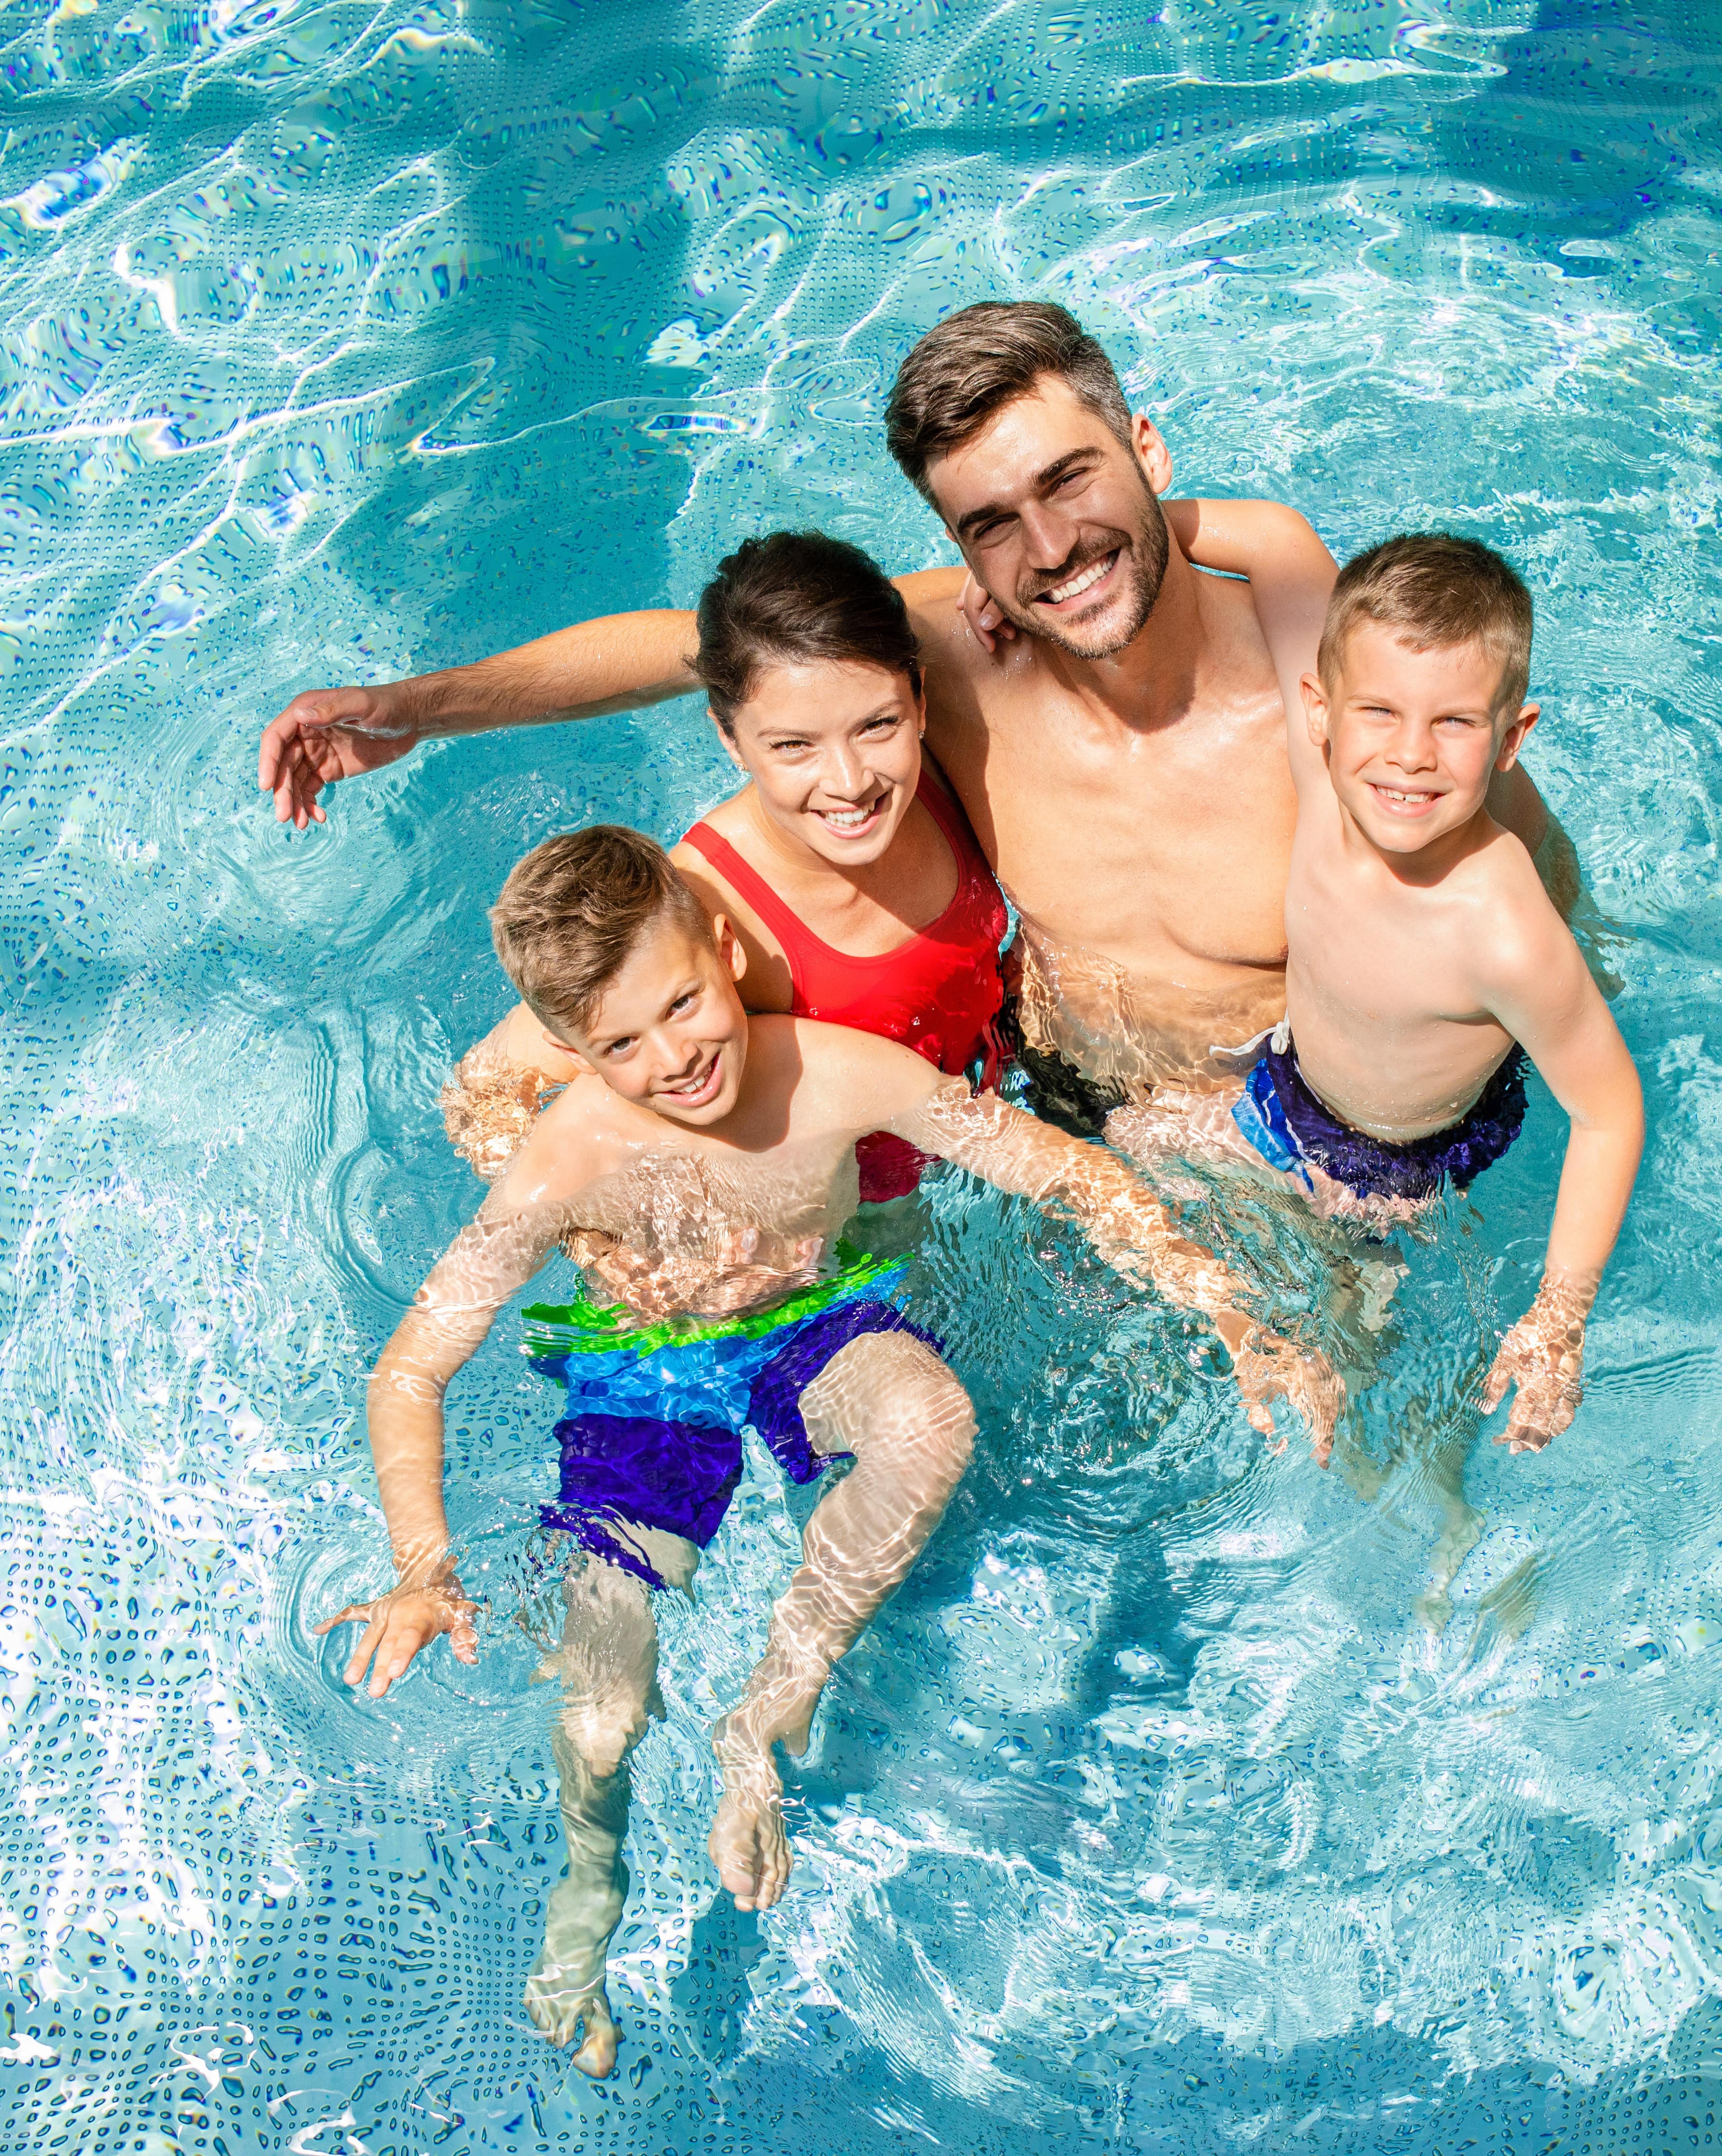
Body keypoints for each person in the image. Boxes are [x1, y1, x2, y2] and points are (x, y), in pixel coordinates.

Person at [318, 825, 1338, 2079]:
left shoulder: (835, 1077)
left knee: (931, 1419)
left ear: (727, 951)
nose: (674, 1058)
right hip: (650, 1376)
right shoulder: (567, 1157)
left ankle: (768, 1713)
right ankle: (585, 1915)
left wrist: (1229, 1307)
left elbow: (1069, 1176)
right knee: (602, 1708)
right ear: (572, 1056)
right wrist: (423, 1562)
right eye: (618, 1046)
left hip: (809, 1321)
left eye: (684, 1006)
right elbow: (412, 1367)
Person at [255, 302, 1570, 1114]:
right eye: (992, 523)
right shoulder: (948, 654)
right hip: (1052, 1110)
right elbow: (696, 645)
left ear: (1151, 455)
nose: (1050, 549)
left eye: (1072, 481)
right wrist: (418, 708)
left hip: (1303, 1126)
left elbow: (1508, 860)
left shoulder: (1317, 676)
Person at [1094, 510, 1642, 1454]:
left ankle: (1429, 1511)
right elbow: (1270, 543)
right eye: (1378, 712)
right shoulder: (1321, 782)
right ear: (1318, 711)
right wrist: (1065, 557)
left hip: (1391, 1170)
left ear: (1512, 736)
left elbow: (1607, 1111)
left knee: (1341, 1381)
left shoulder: (1499, 928)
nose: (1409, 754)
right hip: (1281, 1090)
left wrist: (1559, 1317)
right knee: (1110, 1153)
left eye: (1454, 723)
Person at [445, 530, 1010, 1203]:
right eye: (794, 746)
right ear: (730, 739)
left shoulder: (943, 768)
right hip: (850, 1225)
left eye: (877, 726)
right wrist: (603, 1234)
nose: (850, 782)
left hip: (990, 1117)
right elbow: (483, 1093)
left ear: (919, 699)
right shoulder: (704, 909)